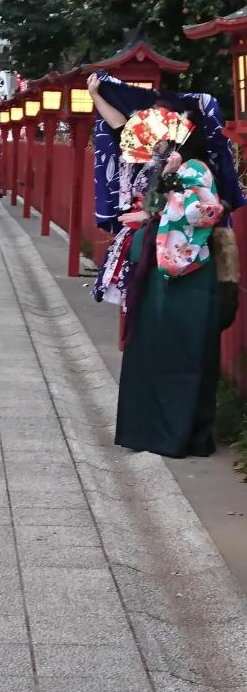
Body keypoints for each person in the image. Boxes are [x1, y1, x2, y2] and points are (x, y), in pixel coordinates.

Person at [88, 73, 230, 459]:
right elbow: (121, 130)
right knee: (148, 347)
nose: (158, 133)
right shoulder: (161, 160)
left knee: (180, 352)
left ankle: (177, 433)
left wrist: (158, 210)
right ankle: (146, 429)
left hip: (186, 271)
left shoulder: (196, 168)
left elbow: (203, 213)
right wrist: (96, 95)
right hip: (156, 267)